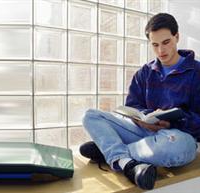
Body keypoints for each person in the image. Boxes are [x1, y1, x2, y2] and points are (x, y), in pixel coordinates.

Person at [80, 13, 200, 190]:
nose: (161, 51)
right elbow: (131, 107)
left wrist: (170, 122)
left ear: (177, 37)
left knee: (175, 147)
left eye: (166, 42)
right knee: (91, 116)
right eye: (155, 45)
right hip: (145, 133)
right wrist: (145, 118)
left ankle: (111, 152)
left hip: (176, 138)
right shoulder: (144, 72)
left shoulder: (196, 72)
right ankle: (125, 161)